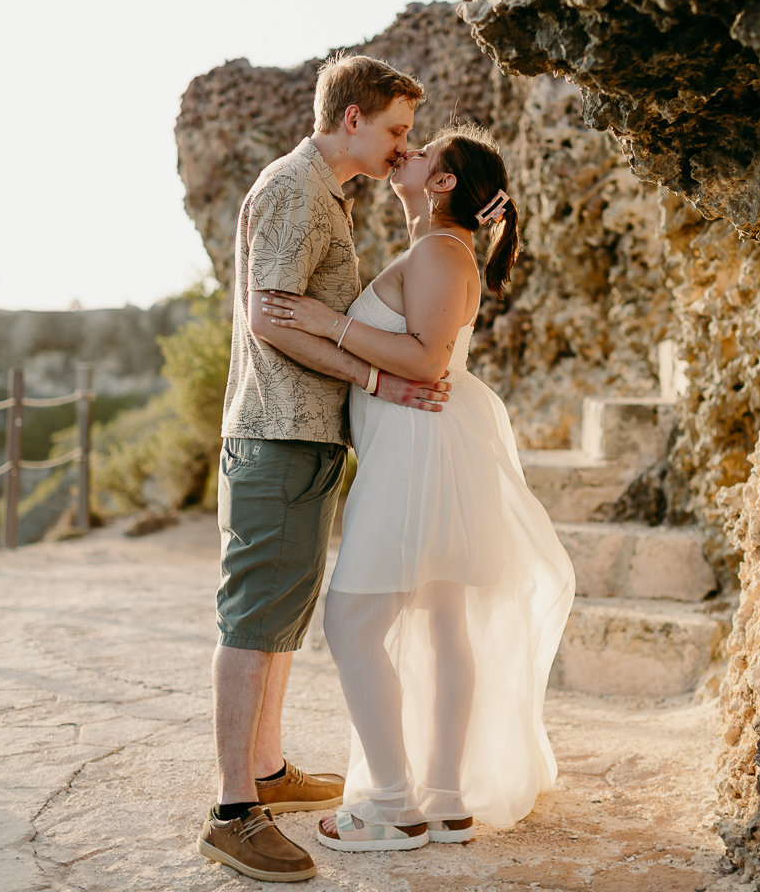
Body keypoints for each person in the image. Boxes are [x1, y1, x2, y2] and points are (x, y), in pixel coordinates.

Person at [263, 122, 576, 854]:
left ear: (441, 184)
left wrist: (325, 322)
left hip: (418, 450)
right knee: (441, 618)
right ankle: (442, 800)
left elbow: (427, 361)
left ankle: (396, 806)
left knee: (352, 624)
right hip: (423, 445)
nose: (409, 151)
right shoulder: (440, 248)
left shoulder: (438, 250)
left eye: (425, 150)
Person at [197, 54, 452, 884]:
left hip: (303, 438)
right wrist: (380, 379)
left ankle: (268, 768)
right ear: (352, 119)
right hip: (275, 433)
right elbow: (272, 321)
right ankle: (235, 810)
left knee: (280, 616)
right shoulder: (293, 189)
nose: (399, 147)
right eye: (394, 131)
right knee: (253, 616)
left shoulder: (324, 195)